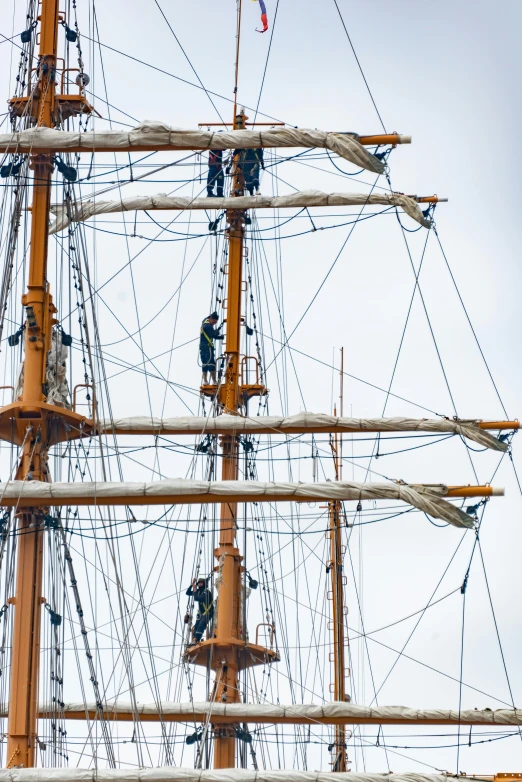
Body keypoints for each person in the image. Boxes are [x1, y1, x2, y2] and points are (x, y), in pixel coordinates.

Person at [186, 577, 214, 643]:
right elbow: (188, 593)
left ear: (204, 584)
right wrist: (192, 584)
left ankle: (196, 639)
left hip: (208, 612)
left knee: (201, 625)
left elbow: (198, 598)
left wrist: (195, 590)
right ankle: (195, 639)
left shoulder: (206, 592)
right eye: (199, 583)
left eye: (201, 583)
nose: (199, 584)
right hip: (201, 613)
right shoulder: (198, 592)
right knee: (196, 627)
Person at [200, 311, 223, 384]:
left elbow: (211, 333)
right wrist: (221, 337)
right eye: (214, 322)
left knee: (204, 363)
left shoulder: (205, 322)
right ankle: (214, 381)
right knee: (210, 363)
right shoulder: (209, 326)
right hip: (207, 346)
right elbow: (213, 335)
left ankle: (205, 381)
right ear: (211, 318)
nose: (214, 323)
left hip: (202, 346)